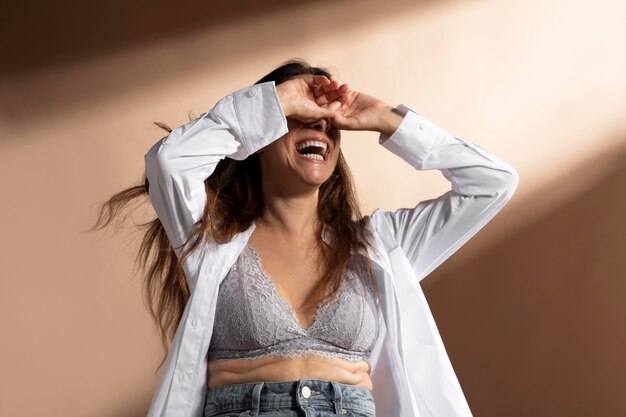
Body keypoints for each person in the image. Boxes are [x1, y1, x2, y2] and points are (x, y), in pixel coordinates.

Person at [93, 58, 519, 417]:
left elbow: (492, 184)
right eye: (300, 116)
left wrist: (387, 118)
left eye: (328, 122)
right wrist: (276, 101)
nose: (319, 124)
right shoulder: (211, 238)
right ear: (259, 138)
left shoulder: (381, 245)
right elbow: (169, 162)